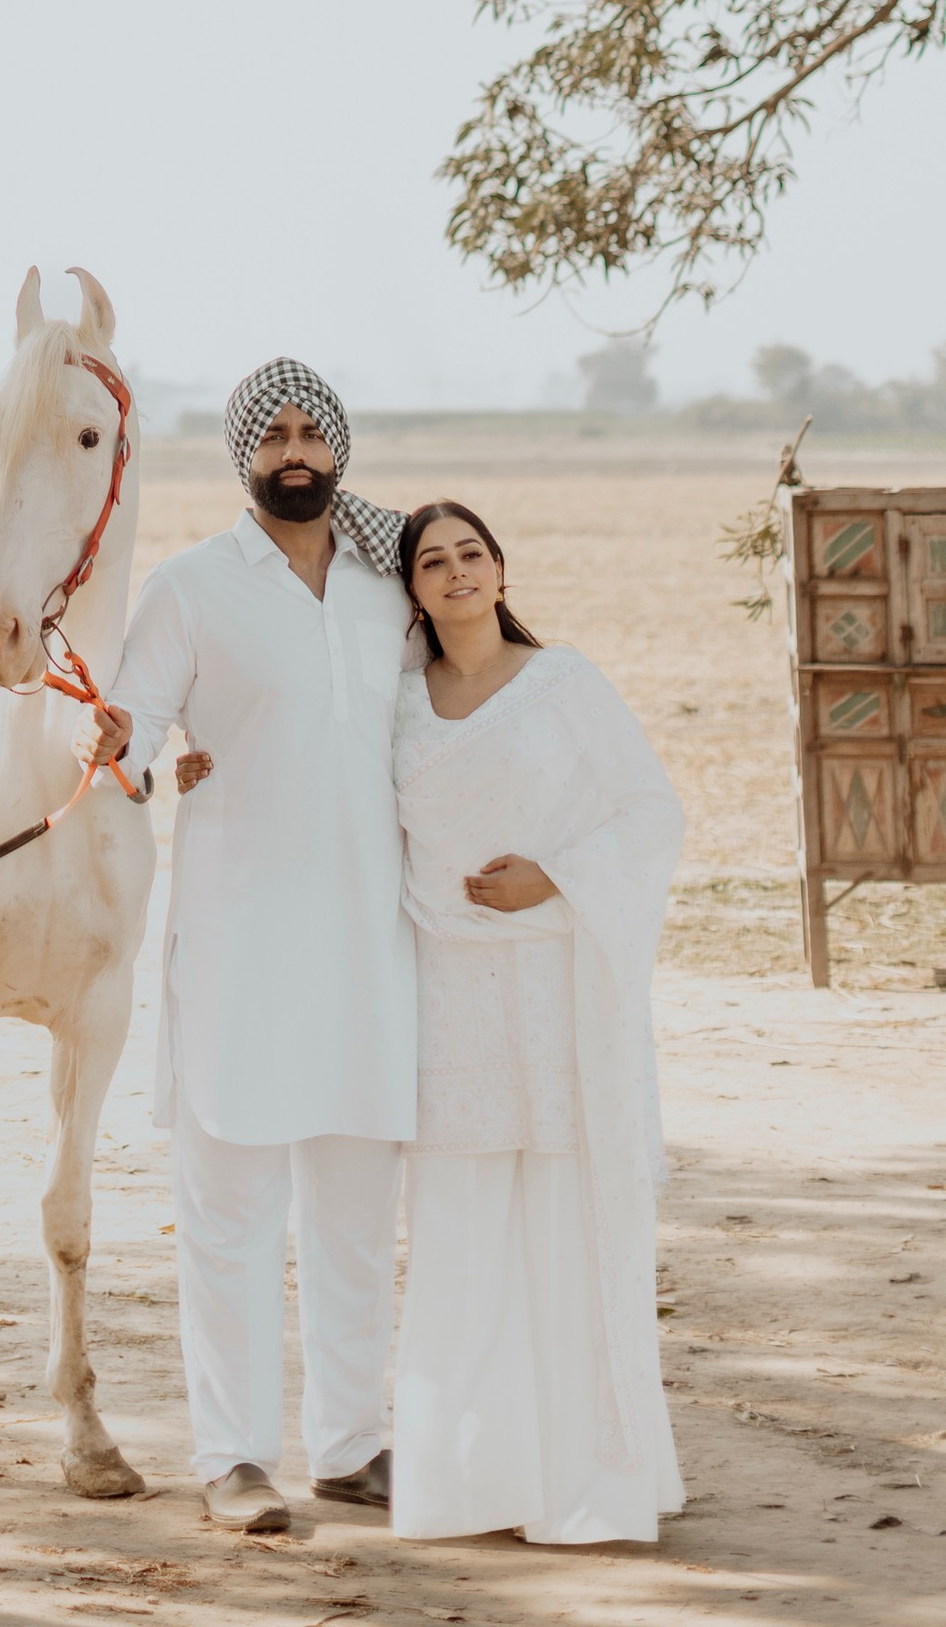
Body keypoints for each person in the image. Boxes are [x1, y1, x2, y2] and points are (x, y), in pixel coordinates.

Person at [84, 359, 414, 1537]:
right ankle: (231, 1457)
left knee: (355, 1216)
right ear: (242, 454)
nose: (292, 451)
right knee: (229, 1214)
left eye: (308, 432)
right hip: (239, 945)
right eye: (269, 432)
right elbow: (125, 744)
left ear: (337, 449)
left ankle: (351, 1445)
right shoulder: (191, 587)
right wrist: (134, 744)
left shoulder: (390, 582)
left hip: (373, 948)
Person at [390, 500, 686, 1547]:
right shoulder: (398, 707)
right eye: (433, 561)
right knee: (463, 1230)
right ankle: (470, 1480)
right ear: (412, 591)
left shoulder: (566, 685)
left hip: (558, 985)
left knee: (563, 1222)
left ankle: (587, 1480)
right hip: (448, 996)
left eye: (471, 553)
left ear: (501, 571)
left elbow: (651, 812)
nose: (456, 571)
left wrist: (554, 877)